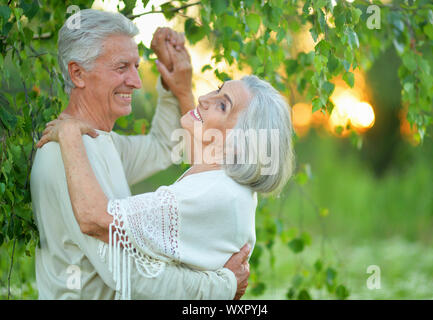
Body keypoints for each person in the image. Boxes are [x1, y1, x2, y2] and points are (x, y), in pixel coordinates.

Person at [30, 8, 250, 300]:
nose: (135, 81)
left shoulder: (102, 143)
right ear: (78, 73)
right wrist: (223, 285)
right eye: (122, 68)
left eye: (136, 66)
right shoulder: (65, 154)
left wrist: (174, 84)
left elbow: (164, 146)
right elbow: (128, 273)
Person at [36, 73, 295, 299]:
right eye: (218, 88)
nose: (204, 98)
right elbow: (199, 153)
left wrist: (70, 135)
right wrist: (180, 88)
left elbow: (95, 220)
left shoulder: (214, 193)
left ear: (239, 143)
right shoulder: (225, 184)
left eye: (222, 105)